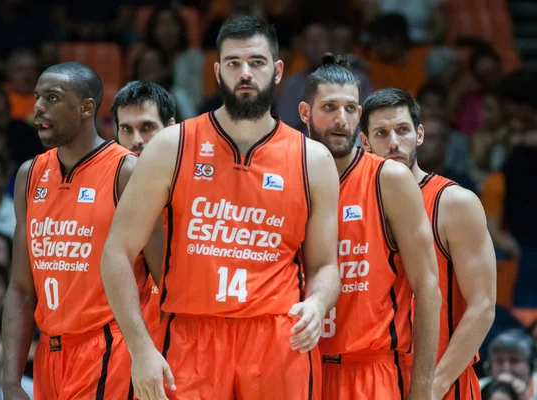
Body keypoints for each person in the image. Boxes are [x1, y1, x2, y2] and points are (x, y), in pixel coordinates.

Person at [101, 16, 341, 400]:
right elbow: (116, 252)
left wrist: (317, 301)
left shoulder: (313, 159)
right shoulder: (170, 146)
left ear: (278, 70)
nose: (245, 73)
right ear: (217, 71)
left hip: (277, 339)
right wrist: (140, 347)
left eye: (257, 62)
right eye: (233, 63)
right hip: (190, 335)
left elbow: (326, 265)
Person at [0, 62, 156, 400]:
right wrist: (11, 380)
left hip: (110, 349)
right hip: (50, 355)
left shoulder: (126, 171)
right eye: (38, 97)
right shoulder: (30, 175)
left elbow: (163, 279)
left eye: (52, 98)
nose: (38, 107)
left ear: (86, 107)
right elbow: (21, 288)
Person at [299, 53, 441, 399]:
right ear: (306, 113)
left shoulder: (387, 178)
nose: (341, 119)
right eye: (329, 107)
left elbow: (427, 285)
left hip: (370, 372)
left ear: (359, 115)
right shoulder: (289, 176)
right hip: (300, 368)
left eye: (350, 109)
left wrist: (422, 386)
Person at [358, 87, 497, 399]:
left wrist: (433, 385)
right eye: (381, 133)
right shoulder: (352, 204)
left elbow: (483, 305)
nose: (393, 142)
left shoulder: (454, 202)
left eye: (403, 130)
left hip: (442, 381)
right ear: (364, 142)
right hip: (374, 380)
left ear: (419, 134)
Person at [110, 80, 177, 348]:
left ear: (171, 128)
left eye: (147, 128)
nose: (136, 140)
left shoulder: (199, 191)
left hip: (184, 338)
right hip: (121, 346)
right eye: (126, 129)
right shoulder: (105, 190)